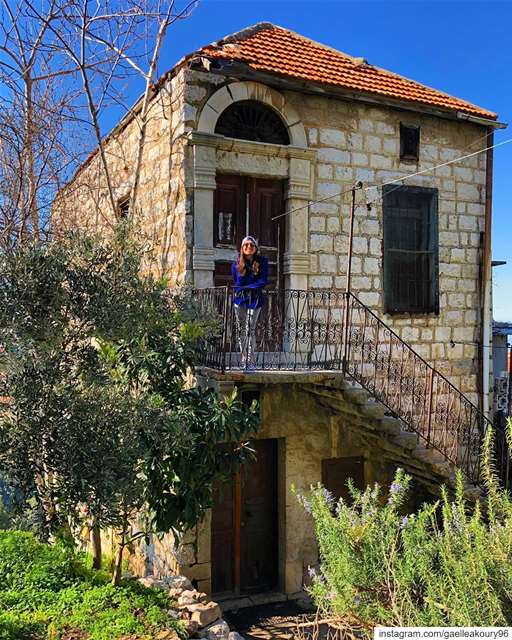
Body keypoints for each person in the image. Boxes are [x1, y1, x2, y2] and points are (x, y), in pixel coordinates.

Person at [231, 236, 268, 369]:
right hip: (240, 300)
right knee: (241, 328)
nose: (248, 247)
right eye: (245, 245)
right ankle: (243, 356)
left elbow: (262, 281)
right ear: (242, 248)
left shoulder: (262, 262)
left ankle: (251, 358)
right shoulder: (236, 263)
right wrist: (242, 275)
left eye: (251, 245)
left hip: (255, 300)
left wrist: (250, 286)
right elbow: (238, 284)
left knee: (250, 329)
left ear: (255, 248)